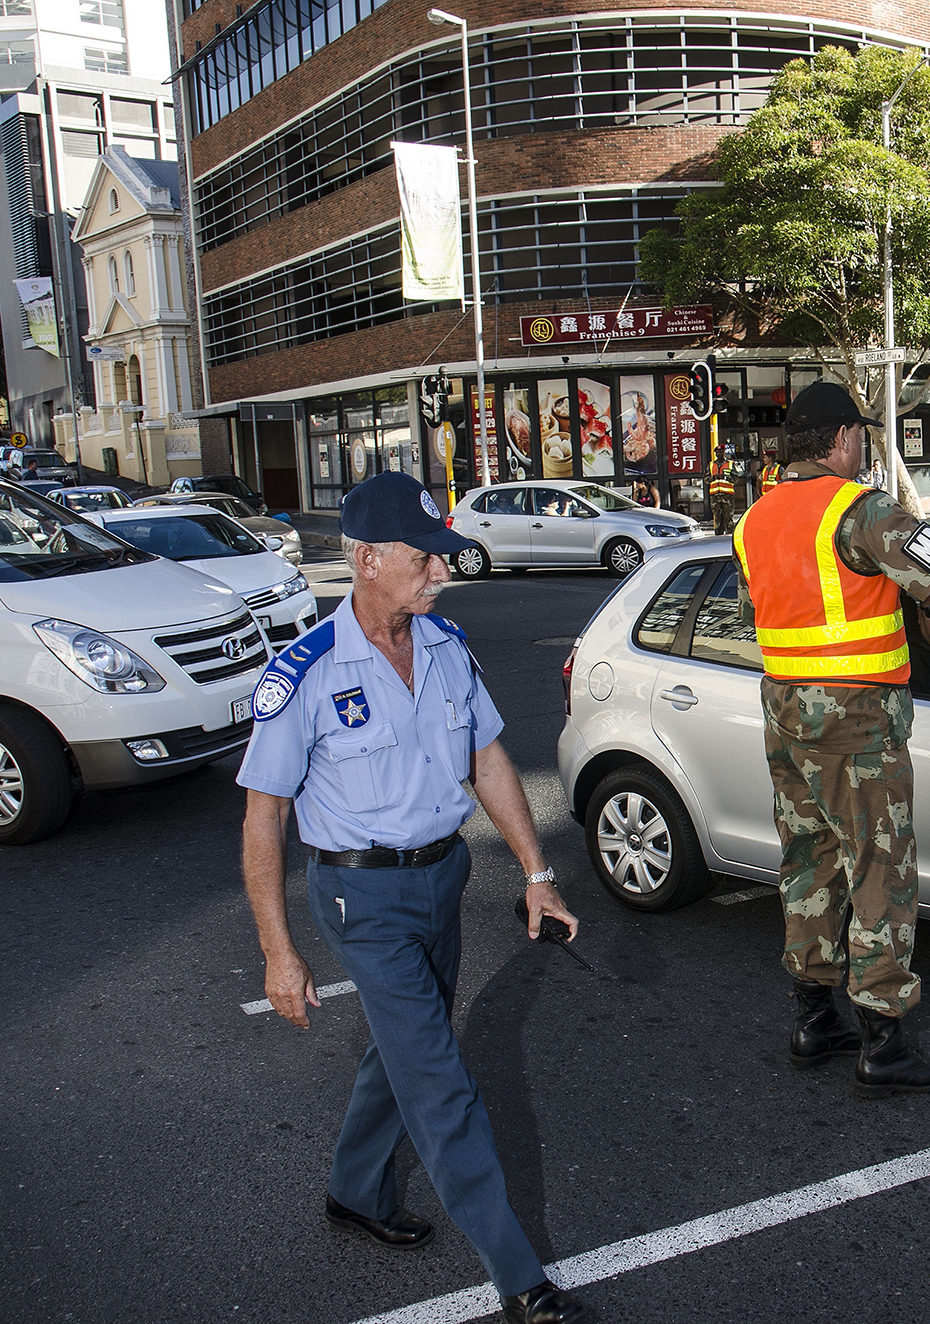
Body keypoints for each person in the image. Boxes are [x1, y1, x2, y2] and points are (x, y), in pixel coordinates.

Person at [236, 471, 591, 1324]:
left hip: (442, 879)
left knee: (399, 1048)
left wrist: (536, 874)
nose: (441, 571)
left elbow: (490, 760)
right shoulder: (306, 673)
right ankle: (520, 1279)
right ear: (364, 560)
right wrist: (278, 954)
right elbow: (263, 820)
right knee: (438, 1075)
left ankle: (356, 1191)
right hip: (360, 897)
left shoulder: (445, 644)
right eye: (423, 558)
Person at [733, 382, 930, 1099]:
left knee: (808, 862)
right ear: (843, 438)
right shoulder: (862, 510)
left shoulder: (753, 520)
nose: (865, 447)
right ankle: (883, 1039)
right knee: (880, 870)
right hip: (856, 721)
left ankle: (813, 1018)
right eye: (862, 434)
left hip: (786, 715)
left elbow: (756, 611)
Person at [707, 450, 736, 534]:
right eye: (717, 453)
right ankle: (718, 535)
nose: (718, 454)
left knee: (728, 516)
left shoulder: (730, 464)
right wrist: (713, 478)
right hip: (715, 495)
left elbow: (735, 478)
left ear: (723, 453)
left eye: (720, 452)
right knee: (717, 517)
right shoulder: (711, 465)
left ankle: (729, 533)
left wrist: (726, 477)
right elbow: (706, 478)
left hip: (727, 495)